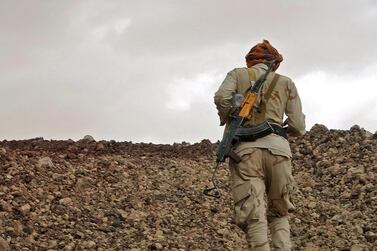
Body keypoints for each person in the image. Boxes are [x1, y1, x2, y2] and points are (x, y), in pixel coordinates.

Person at [214, 40, 306, 250]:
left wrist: (229, 116)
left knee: (254, 216)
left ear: (250, 62)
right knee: (279, 213)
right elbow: (298, 126)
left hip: (245, 153)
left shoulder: (237, 74)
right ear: (274, 64)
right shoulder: (286, 82)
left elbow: (221, 97)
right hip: (279, 152)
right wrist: (285, 130)